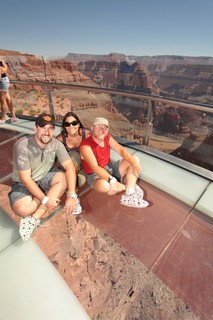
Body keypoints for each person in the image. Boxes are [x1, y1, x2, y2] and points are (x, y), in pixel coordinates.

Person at [8, 113, 82, 241]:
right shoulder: (23, 146)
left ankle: (34, 219)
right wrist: (45, 199)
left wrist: (71, 195)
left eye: (50, 128)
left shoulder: (56, 144)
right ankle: (45, 194)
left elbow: (70, 167)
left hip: (45, 177)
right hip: (22, 183)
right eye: (43, 127)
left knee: (64, 177)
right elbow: (26, 179)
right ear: (35, 128)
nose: (47, 132)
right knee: (22, 210)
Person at [79, 117, 149, 208]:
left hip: (110, 167)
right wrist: (112, 180)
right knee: (104, 186)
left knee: (135, 159)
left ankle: (129, 192)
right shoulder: (85, 146)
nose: (102, 130)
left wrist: (134, 164)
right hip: (95, 175)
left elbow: (120, 150)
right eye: (99, 126)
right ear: (92, 128)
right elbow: (95, 167)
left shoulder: (107, 137)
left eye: (105, 127)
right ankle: (128, 187)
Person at [56, 111, 90, 187]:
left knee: (80, 181)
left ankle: (71, 180)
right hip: (66, 164)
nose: (71, 126)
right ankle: (72, 184)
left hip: (82, 165)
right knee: (73, 154)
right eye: (67, 124)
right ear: (64, 126)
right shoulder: (60, 138)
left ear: (78, 124)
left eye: (74, 123)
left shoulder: (87, 135)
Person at [0, 56, 17, 123]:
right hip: (4, 80)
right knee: (7, 99)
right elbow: (5, 68)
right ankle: (14, 116)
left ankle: (3, 118)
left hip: (2, 81)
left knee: (2, 100)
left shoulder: (0, 59)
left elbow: (5, 68)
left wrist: (3, 68)